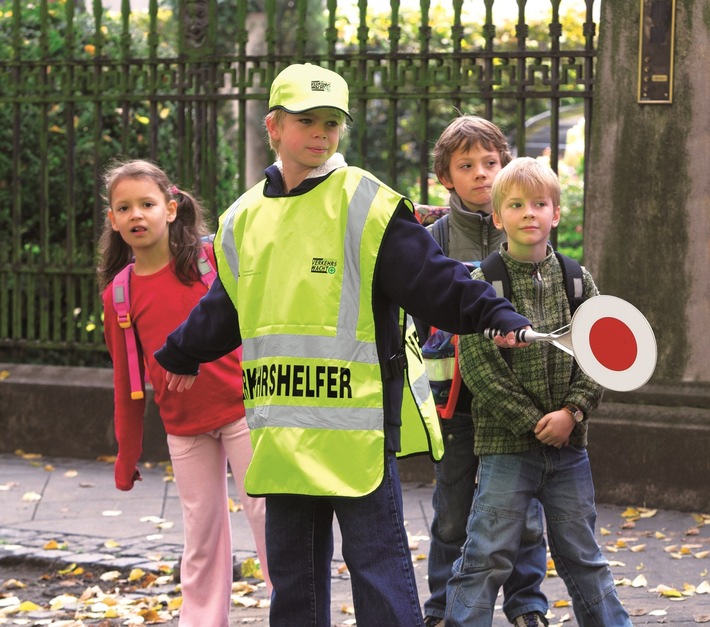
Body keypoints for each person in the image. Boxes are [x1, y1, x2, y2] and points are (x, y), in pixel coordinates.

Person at [153, 63, 531, 627]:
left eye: (331, 122)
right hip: (282, 432)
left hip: (358, 435)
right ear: (274, 125)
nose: (321, 133)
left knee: (378, 573)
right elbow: (227, 306)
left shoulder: (368, 205)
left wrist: (494, 312)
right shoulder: (241, 219)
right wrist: (181, 350)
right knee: (295, 584)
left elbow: (435, 281)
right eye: (307, 120)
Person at [446, 157, 632, 627]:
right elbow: (480, 369)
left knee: (584, 557)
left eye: (539, 204)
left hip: (570, 448)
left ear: (556, 213)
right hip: (507, 449)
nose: (528, 213)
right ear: (497, 216)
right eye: (516, 205)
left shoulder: (577, 280)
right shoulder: (482, 283)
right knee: (485, 556)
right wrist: (532, 422)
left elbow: (601, 355)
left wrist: (573, 411)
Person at [97, 159, 271, 627]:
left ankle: (294, 611)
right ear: (113, 220)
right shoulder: (119, 293)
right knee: (201, 535)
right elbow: (127, 383)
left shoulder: (208, 262)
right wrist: (125, 454)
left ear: (171, 209)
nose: (137, 215)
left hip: (243, 412)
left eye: (147, 204)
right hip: (184, 428)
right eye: (124, 207)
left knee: (268, 519)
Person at [420, 116, 549, 627]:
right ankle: (441, 608)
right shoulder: (431, 239)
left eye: (491, 163)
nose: (482, 174)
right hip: (455, 398)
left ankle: (526, 604)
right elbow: (417, 308)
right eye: (467, 165)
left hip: (517, 399)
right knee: (452, 511)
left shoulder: (523, 231)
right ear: (445, 177)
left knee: (525, 512)